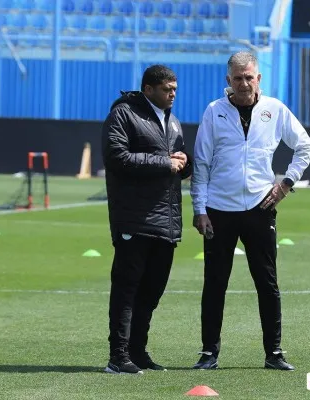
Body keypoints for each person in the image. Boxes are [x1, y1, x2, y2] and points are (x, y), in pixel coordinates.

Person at [190, 52, 310, 371]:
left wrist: (286, 184)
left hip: (261, 207)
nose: (244, 83)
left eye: (249, 77)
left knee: (267, 282)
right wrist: (199, 208)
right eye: (237, 78)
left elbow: (305, 147)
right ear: (227, 81)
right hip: (219, 209)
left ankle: (274, 353)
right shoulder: (214, 111)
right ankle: (208, 353)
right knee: (215, 282)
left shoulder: (275, 109)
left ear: (259, 78)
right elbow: (201, 162)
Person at [102, 65, 192, 374]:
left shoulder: (174, 122)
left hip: (165, 221)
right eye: (167, 89)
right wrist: (164, 162)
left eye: (175, 89)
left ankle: (138, 352)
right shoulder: (124, 114)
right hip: (134, 218)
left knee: (152, 291)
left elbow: (177, 163)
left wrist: (185, 163)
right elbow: (117, 158)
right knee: (127, 289)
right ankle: (118, 355)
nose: (173, 95)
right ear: (148, 89)